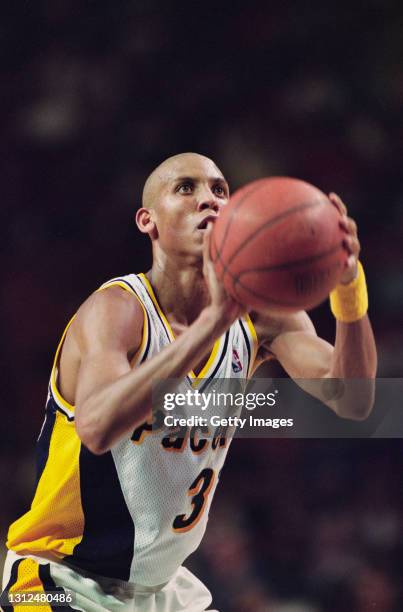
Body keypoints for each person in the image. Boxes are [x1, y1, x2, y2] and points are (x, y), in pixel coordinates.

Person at [1, 153, 377, 611]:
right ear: (148, 221)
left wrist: (348, 289)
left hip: (161, 593)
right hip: (57, 578)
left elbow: (353, 401)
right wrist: (214, 322)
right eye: (186, 188)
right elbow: (98, 428)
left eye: (220, 190)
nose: (209, 201)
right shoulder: (117, 310)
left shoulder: (263, 319)